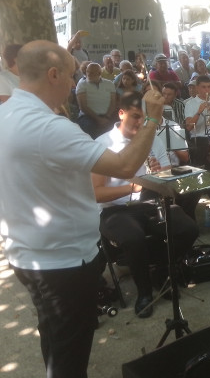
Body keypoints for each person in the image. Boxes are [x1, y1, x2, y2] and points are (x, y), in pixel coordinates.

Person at [0, 40, 165, 378]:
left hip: (26, 254)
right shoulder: (50, 127)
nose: (74, 86)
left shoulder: (6, 114)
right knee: (70, 356)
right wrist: (151, 119)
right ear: (53, 74)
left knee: (56, 340)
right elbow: (124, 165)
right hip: (63, 261)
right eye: (72, 76)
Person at [93, 92, 199, 319]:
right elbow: (96, 193)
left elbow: (166, 182)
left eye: (145, 118)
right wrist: (133, 188)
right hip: (116, 209)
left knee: (188, 229)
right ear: (121, 113)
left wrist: (159, 172)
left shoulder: (154, 139)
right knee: (133, 238)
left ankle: (160, 272)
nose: (141, 124)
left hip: (149, 203)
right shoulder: (102, 144)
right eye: (135, 117)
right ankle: (144, 292)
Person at [184, 75, 210, 166]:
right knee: (201, 147)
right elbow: (189, 127)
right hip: (199, 138)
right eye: (203, 87)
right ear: (197, 88)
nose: (207, 90)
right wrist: (199, 112)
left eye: (209, 87)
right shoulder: (190, 104)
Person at [76, 62, 117, 139]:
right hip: (87, 116)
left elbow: (113, 103)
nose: (88, 74)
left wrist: (107, 117)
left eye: (91, 72)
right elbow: (83, 107)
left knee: (118, 127)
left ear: (99, 73)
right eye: (87, 71)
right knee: (89, 127)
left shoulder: (109, 84)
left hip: (107, 115)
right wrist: (99, 119)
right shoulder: (82, 84)